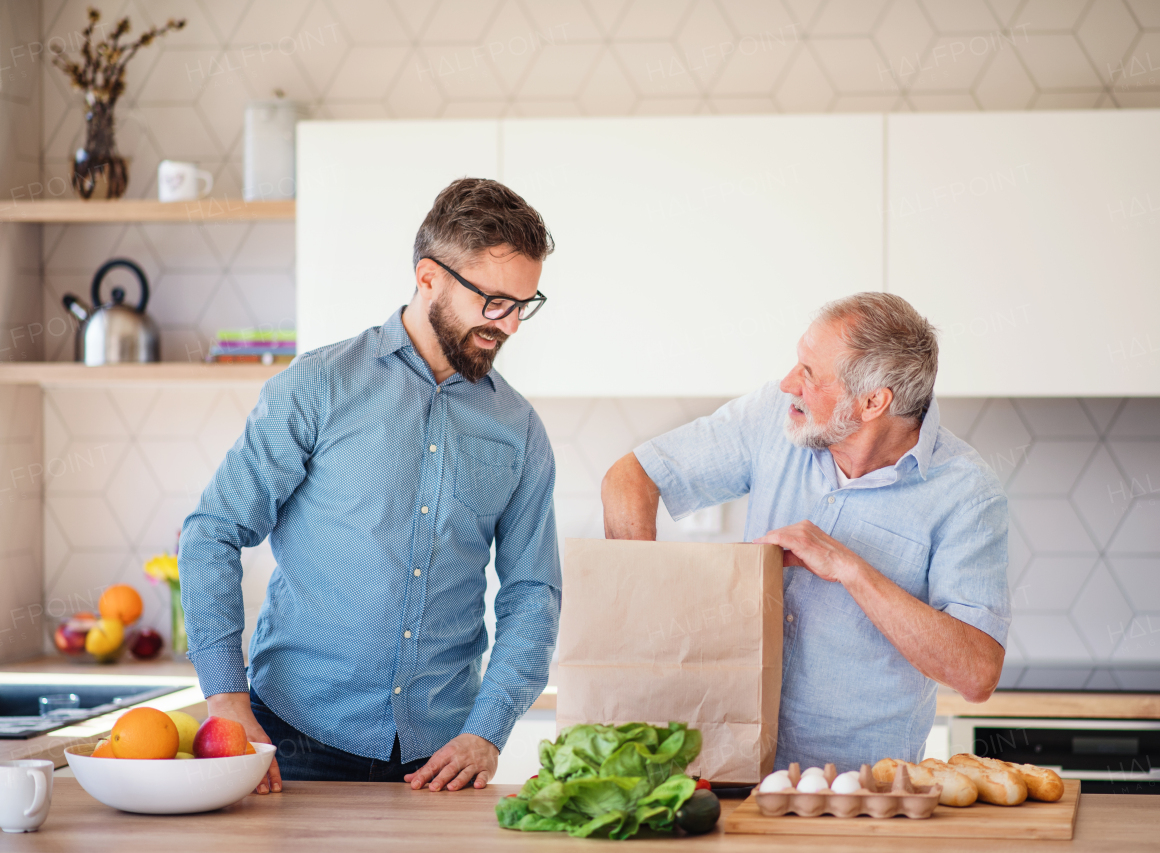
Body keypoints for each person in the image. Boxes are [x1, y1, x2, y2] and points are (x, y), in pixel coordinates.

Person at [180, 178, 560, 794]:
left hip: (443, 762)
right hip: (295, 744)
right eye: (494, 302)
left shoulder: (519, 431)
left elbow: (532, 593)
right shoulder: (318, 387)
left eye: (523, 304)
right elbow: (213, 533)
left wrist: (487, 732)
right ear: (429, 277)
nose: (510, 325)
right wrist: (226, 699)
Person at [601, 292, 1009, 771]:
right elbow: (630, 478)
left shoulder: (967, 493)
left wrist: (849, 568)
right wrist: (636, 613)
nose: (787, 383)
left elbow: (977, 673)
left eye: (810, 374)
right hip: (729, 767)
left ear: (874, 401)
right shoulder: (771, 419)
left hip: (860, 792)